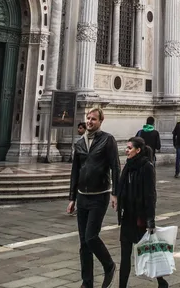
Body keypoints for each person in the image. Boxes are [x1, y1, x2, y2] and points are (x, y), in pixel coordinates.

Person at [67, 107, 119, 288]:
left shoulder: (107, 140)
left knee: (91, 237)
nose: (89, 121)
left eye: (93, 119)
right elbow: (75, 171)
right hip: (82, 196)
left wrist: (115, 193)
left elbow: (115, 167)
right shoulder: (79, 143)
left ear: (100, 121)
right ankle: (87, 283)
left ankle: (109, 265)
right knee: (83, 243)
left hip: (100, 195)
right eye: (88, 118)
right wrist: (72, 197)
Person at [114, 137, 168, 288]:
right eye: (127, 147)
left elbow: (150, 195)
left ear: (138, 150)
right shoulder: (128, 166)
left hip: (140, 217)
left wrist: (150, 220)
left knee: (148, 250)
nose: (126, 150)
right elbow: (121, 185)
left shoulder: (147, 167)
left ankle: (161, 281)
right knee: (125, 255)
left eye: (129, 148)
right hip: (127, 216)